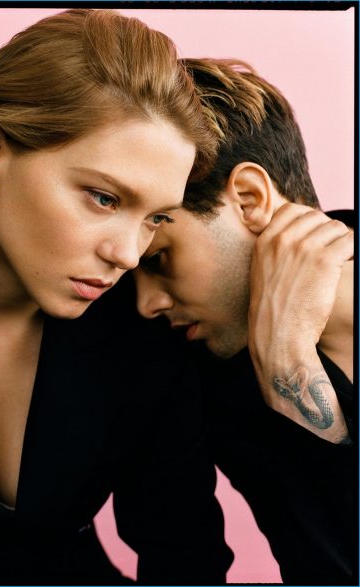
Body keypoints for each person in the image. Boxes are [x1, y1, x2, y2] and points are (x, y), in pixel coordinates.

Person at [0, 13, 235, 585]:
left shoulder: (142, 333)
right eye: (105, 198)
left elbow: (187, 554)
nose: (130, 255)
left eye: (156, 218)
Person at [135, 58, 356, 585]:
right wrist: (286, 362)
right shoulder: (203, 380)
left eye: (158, 258)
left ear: (249, 199)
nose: (145, 304)